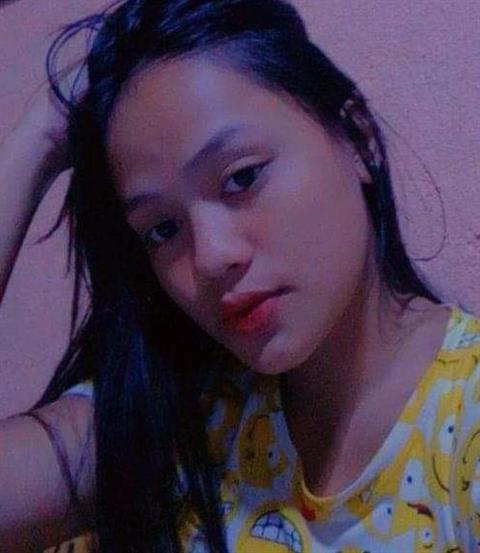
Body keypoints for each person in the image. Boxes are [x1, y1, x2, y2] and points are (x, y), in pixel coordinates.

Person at [0, 0, 479, 551]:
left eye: (242, 177)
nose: (210, 257)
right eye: (162, 230)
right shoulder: (174, 416)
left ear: (357, 138)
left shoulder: (464, 421)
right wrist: (40, 135)